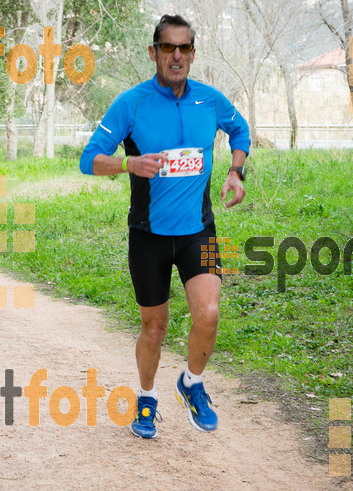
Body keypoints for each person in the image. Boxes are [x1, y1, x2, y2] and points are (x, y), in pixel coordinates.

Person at [79, 14, 250, 439]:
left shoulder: (209, 100)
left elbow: (239, 129)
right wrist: (128, 163)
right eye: (168, 48)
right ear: (153, 52)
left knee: (208, 312)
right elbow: (89, 159)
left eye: (185, 48)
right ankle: (146, 398)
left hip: (199, 231)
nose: (177, 56)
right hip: (148, 237)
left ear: (193, 54)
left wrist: (236, 171)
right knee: (154, 327)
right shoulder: (131, 104)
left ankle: (191, 383)